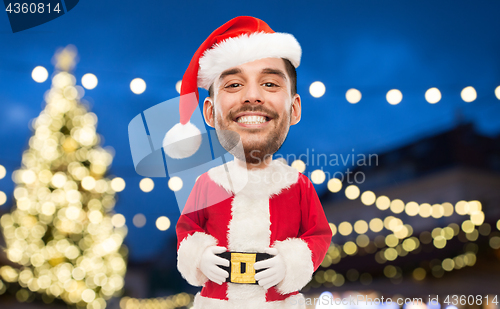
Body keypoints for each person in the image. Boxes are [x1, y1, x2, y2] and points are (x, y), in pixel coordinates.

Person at [169, 16, 332, 309]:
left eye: (270, 83)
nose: (253, 96)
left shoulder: (299, 185)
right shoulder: (207, 184)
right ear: (209, 112)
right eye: (233, 84)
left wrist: (289, 264)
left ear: (294, 109)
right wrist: (200, 255)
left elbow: (318, 235)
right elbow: (187, 230)